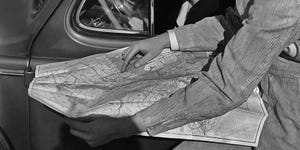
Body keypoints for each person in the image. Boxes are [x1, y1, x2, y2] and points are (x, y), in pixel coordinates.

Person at [66, 0, 300, 149]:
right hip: (254, 101)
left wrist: (125, 126)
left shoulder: (281, 5)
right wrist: (167, 39)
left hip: (281, 122)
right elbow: (234, 24)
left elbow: (224, 88)